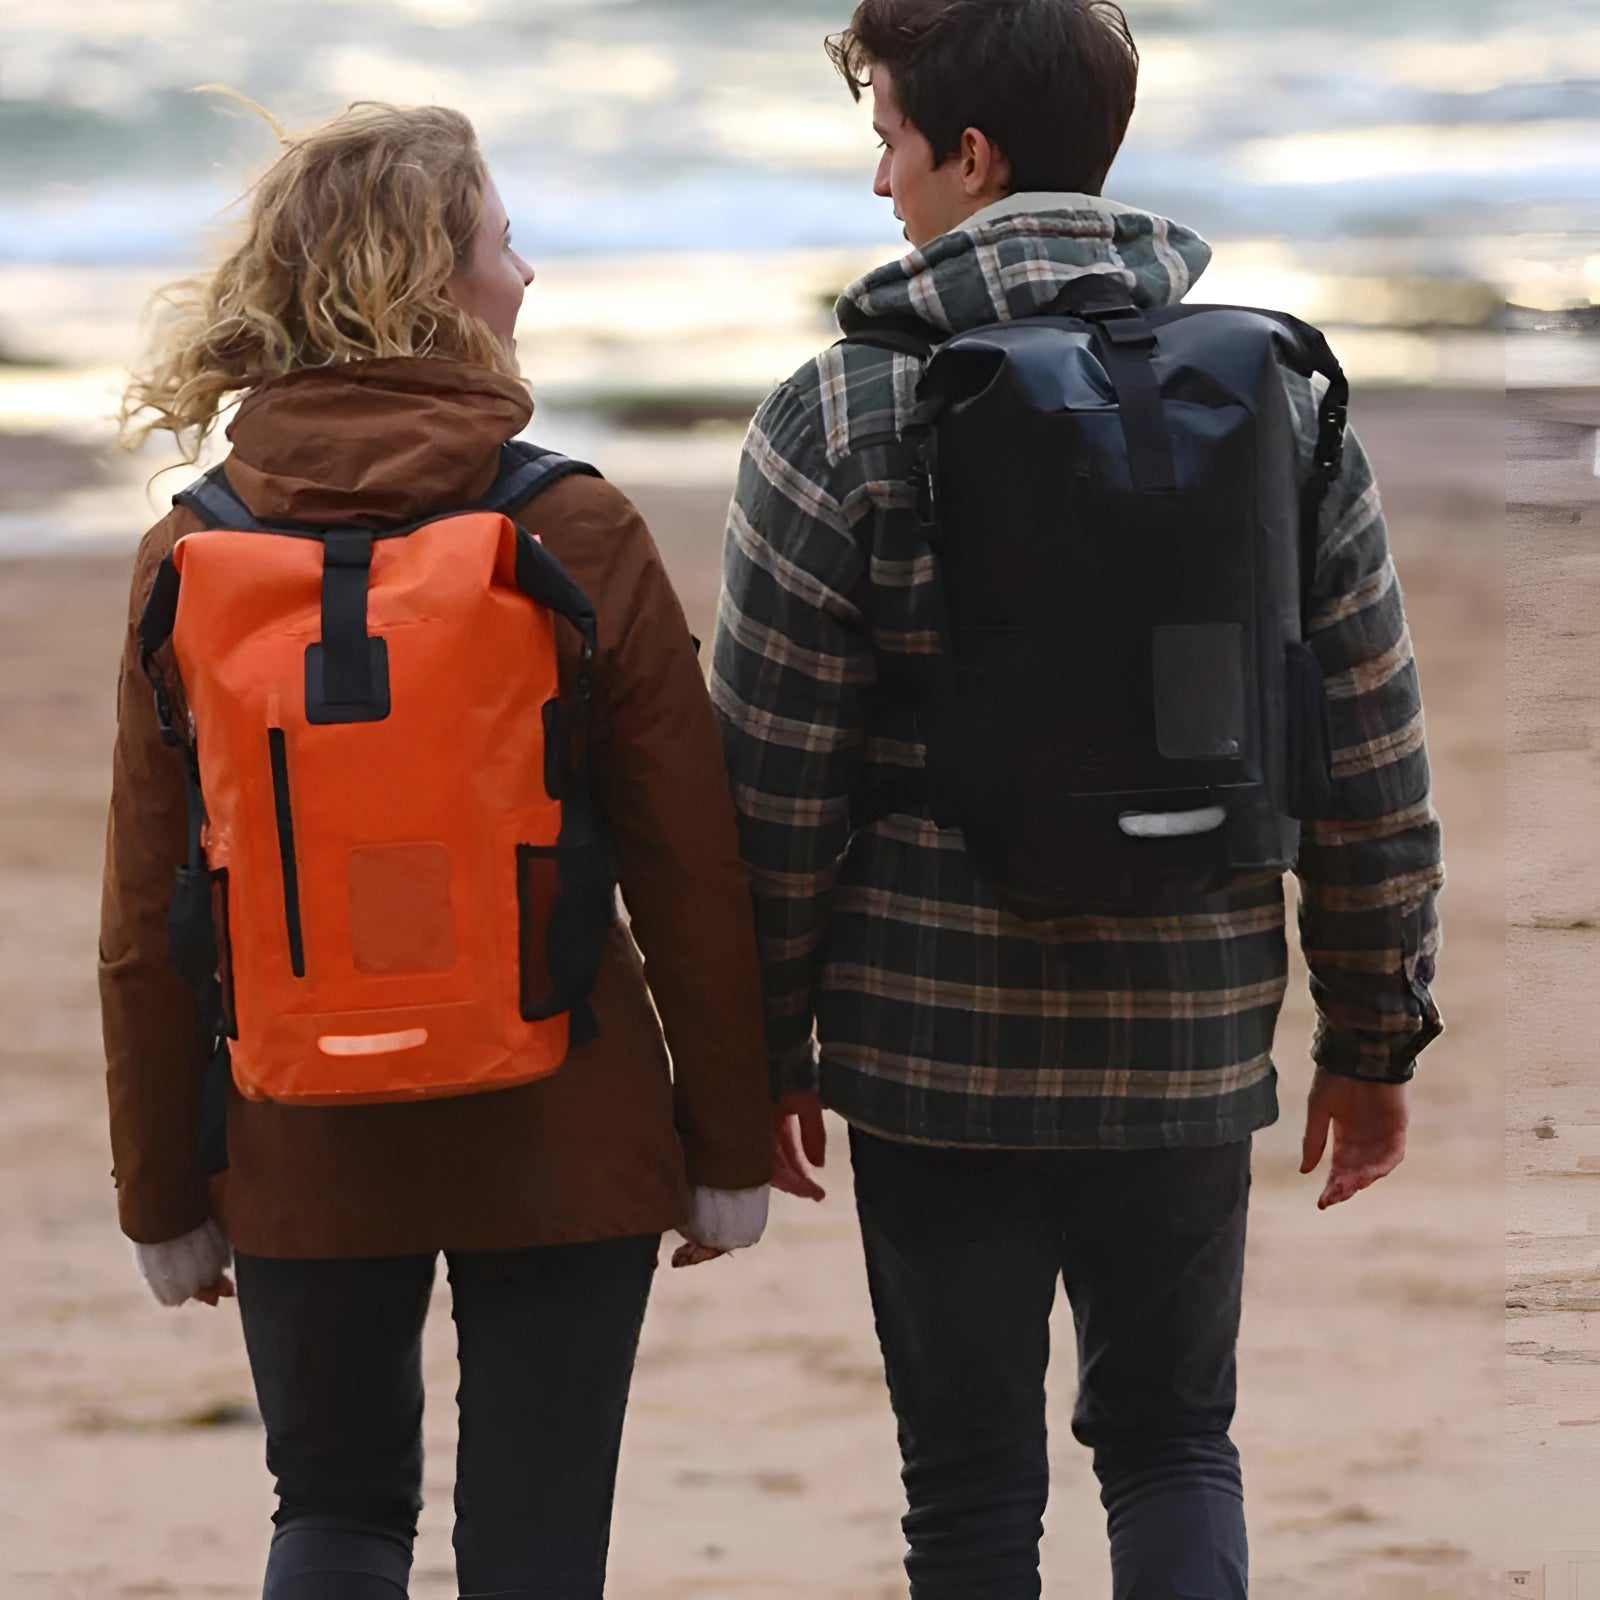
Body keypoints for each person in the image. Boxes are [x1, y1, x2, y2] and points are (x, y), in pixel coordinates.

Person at [711, 2, 1444, 1596]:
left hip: (926, 1047)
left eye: (891, 141)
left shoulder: (834, 412)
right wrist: (1375, 1034)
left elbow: (769, 783)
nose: (883, 186)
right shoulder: (1280, 401)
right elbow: (1369, 750)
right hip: (1191, 1027)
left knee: (969, 1489)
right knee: (1175, 1443)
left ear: (972, 156)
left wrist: (756, 1050)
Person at [102, 101, 773, 1600]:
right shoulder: (573, 526)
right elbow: (689, 865)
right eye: (502, 241)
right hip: (564, 1109)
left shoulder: (192, 552)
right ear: (431, 281)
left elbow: (150, 914)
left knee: (333, 1513)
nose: (525, 276)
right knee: (536, 1541)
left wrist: (165, 1187)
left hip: (296, 1119)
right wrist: (725, 1143)